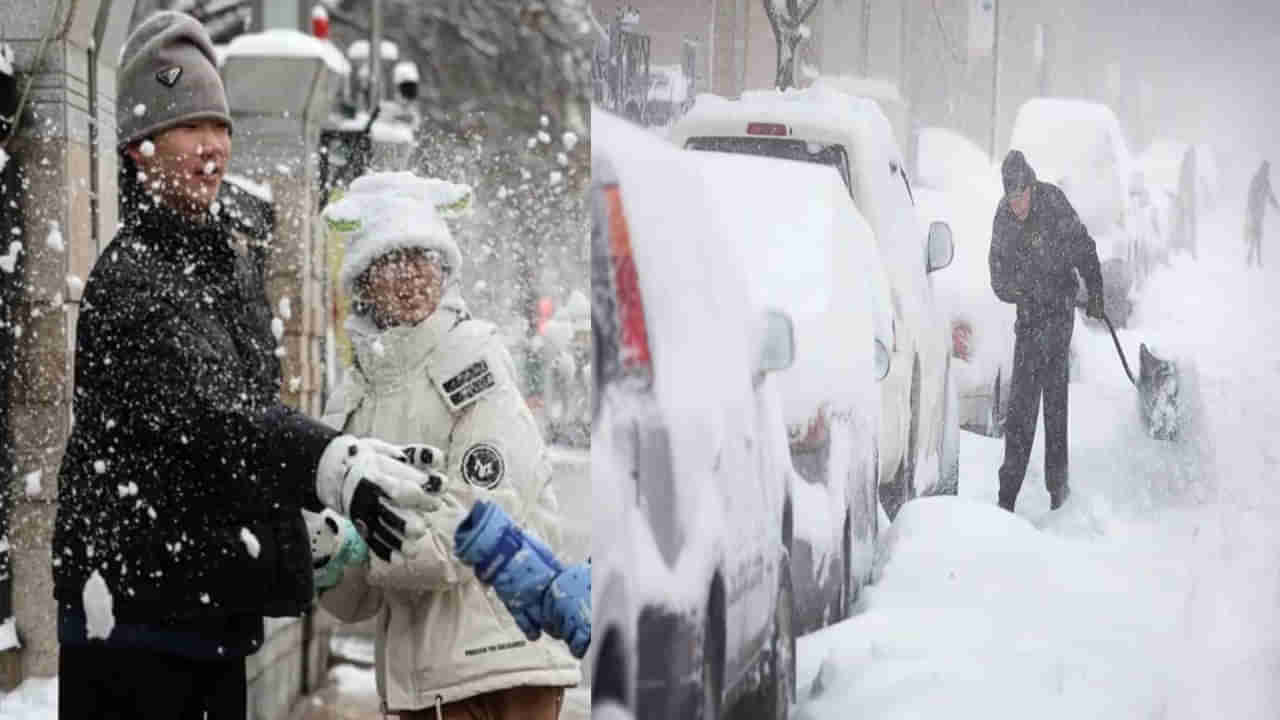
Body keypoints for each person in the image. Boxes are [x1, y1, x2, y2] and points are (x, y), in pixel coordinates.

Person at [51, 13, 440, 719]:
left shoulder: (227, 265)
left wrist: (297, 526)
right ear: (140, 148)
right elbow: (215, 418)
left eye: (222, 128)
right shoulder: (135, 279)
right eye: (190, 128)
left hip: (206, 618)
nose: (213, 148)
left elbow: (241, 432)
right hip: (134, 625)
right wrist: (332, 466)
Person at [315, 171, 580, 720]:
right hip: (420, 684)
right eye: (393, 262)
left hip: (503, 669)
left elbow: (479, 519)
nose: (412, 278)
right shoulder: (352, 402)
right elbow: (354, 596)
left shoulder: (473, 365)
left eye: (426, 259)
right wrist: (329, 555)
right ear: (363, 281)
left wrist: (369, 544)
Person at [989, 150, 1105, 512]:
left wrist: (1096, 289)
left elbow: (1084, 246)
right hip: (1029, 321)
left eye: (1021, 196)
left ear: (1032, 187)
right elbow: (997, 277)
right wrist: (1025, 291)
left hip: (1058, 318)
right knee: (1021, 410)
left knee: (1056, 406)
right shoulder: (1004, 219)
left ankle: (1059, 491)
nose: (1017, 205)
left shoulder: (1053, 203)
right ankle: (1006, 497)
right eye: (1011, 198)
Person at [1245, 160, 1278, 267]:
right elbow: (1251, 195)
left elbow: (1270, 197)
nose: (1267, 172)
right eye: (1267, 169)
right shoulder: (1258, 180)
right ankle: (1256, 259)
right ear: (1263, 169)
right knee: (1256, 235)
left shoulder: (1264, 181)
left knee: (1257, 235)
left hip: (1259, 214)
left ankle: (1254, 257)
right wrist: (1250, 209)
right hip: (1255, 213)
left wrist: (1277, 207)